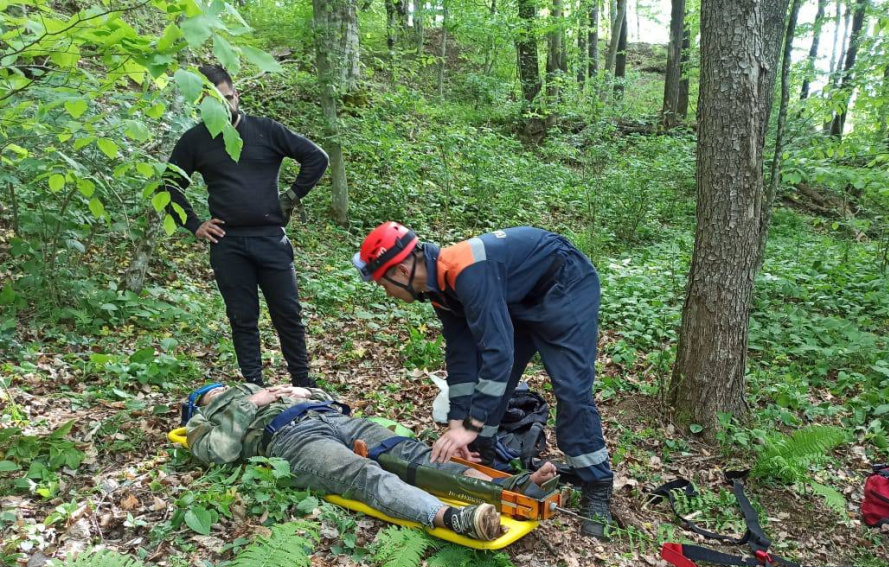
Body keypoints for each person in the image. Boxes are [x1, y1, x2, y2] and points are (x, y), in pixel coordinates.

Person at [352, 224, 615, 539]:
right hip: (517, 297)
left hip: (564, 286)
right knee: (490, 385)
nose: (386, 291)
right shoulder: (440, 290)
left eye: (383, 283)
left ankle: (597, 484)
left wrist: (471, 424)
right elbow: (462, 358)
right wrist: (457, 424)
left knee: (571, 389)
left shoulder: (467, 272)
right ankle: (488, 470)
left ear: (403, 269)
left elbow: (499, 355)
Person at [184, 383, 558, 541]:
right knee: (363, 474)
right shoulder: (204, 419)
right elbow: (219, 453)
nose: (220, 388)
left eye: (220, 386)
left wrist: (303, 391)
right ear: (201, 402)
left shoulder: (264, 388)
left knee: (411, 452)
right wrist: (252, 404)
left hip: (331, 418)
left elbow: (333, 399)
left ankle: (510, 486)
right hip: (289, 438)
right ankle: (454, 518)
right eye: (211, 391)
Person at [165, 64, 328, 388]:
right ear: (201, 105)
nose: (225, 107)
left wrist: (291, 196)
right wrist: (194, 224)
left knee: (288, 315)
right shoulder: (195, 140)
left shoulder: (266, 130)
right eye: (215, 103)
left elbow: (316, 158)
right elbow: (168, 186)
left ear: (236, 95)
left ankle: (303, 383)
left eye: (228, 98)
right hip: (228, 243)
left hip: (270, 238)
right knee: (242, 318)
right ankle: (254, 385)